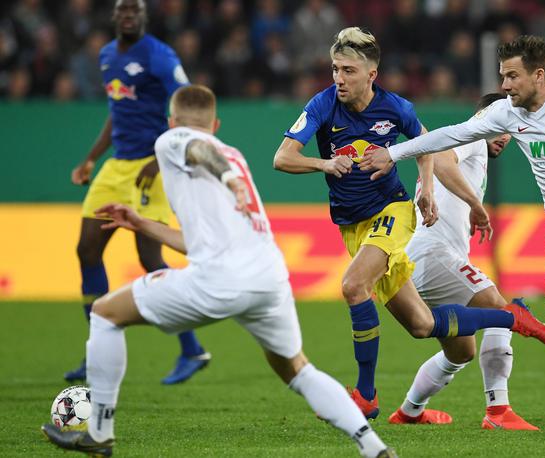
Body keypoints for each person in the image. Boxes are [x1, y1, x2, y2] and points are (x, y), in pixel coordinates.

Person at [41, 84, 396, 458]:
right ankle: (373, 448)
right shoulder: (235, 154)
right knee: (298, 369)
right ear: (217, 123)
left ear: (171, 121)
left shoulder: (174, 140)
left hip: (220, 278)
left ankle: (99, 434)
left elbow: (198, 149)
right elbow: (199, 239)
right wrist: (141, 223)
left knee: (104, 313)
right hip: (268, 278)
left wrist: (228, 180)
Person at [361, 35, 545, 436]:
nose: (504, 85)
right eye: (502, 76)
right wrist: (393, 153)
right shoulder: (506, 112)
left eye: (512, 76)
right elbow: (450, 136)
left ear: (539, 75)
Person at [274, 27, 545, 420]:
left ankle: (367, 395)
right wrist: (323, 162)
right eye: (336, 69)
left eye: (349, 71)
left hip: (392, 212)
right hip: (352, 226)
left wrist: (425, 189)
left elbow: (426, 144)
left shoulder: (396, 109)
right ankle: (511, 316)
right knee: (422, 326)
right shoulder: (321, 105)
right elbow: (282, 158)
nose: (339, 78)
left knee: (354, 286)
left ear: (371, 75)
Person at [65, 0, 210, 385]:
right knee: (87, 250)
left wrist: (164, 156)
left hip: (151, 165)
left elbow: (190, 103)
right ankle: (95, 349)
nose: (128, 14)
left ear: (143, 17)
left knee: (149, 257)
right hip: (116, 166)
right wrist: (91, 159)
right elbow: (119, 110)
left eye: (135, 9)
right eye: (122, 9)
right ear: (114, 16)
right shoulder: (107, 55)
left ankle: (192, 348)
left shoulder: (160, 56)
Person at [388, 92, 545, 430]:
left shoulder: (472, 145)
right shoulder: (471, 135)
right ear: (487, 117)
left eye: (511, 131)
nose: (506, 136)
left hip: (426, 256)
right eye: (502, 127)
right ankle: (498, 411)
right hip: (433, 252)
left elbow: (435, 158)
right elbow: (442, 158)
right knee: (501, 312)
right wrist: (476, 204)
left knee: (461, 352)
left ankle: (409, 411)